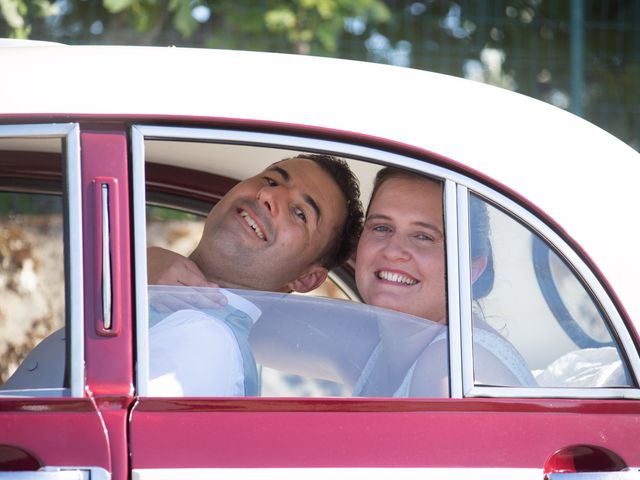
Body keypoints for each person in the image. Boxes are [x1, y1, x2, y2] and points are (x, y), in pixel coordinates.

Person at [1, 153, 364, 396]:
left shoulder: (206, 341)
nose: (269, 197)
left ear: (305, 280)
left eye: (301, 213)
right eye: (271, 179)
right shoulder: (155, 299)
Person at [250, 167, 535, 397]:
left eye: (423, 236)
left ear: (471, 269)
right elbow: (248, 321)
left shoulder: (449, 372)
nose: (393, 251)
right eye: (382, 228)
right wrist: (205, 284)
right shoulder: (381, 338)